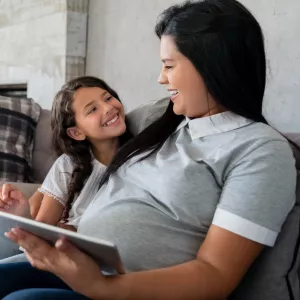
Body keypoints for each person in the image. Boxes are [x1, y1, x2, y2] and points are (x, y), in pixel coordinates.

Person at [0, 0, 297, 299]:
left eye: (169, 65)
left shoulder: (261, 150)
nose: (161, 78)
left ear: (214, 67)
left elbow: (215, 274)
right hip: (81, 268)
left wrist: (101, 287)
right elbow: (89, 153)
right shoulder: (159, 121)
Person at [0, 76, 132, 258]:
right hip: (55, 257)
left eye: (107, 98)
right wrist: (22, 215)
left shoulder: (139, 161)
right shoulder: (68, 165)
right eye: (93, 109)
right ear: (77, 132)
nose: (109, 108)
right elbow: (40, 235)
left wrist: (76, 232)